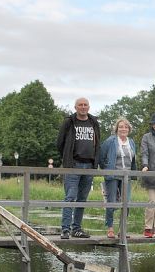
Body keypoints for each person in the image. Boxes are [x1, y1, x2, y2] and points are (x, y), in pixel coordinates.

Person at [56, 97, 100, 239]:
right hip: (73, 165)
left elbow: (97, 142)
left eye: (85, 105)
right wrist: (67, 158)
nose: (83, 107)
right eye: (80, 105)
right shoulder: (69, 122)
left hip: (89, 166)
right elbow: (60, 143)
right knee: (70, 197)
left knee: (82, 199)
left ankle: (77, 229)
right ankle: (65, 229)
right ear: (75, 107)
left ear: (88, 107)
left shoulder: (93, 122)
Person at [99, 117, 137, 239]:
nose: (123, 129)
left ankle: (122, 230)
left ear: (129, 129)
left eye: (126, 127)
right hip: (113, 175)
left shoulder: (131, 142)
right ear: (116, 129)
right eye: (121, 126)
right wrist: (107, 169)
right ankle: (110, 228)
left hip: (127, 176)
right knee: (112, 202)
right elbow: (101, 156)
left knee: (126, 202)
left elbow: (133, 159)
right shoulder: (111, 141)